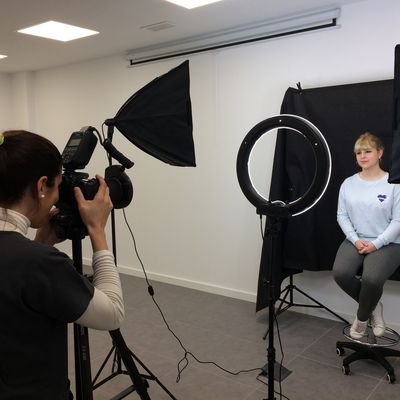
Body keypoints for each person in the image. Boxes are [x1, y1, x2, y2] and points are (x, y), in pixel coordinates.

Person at [0, 130, 125, 399]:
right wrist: (97, 230)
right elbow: (112, 313)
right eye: (57, 186)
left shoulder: (32, 259)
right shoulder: (39, 263)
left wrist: (40, 244)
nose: (58, 197)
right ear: (41, 186)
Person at [332, 132, 400, 340]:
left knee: (371, 280)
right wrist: (354, 239)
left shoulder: (394, 183)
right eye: (358, 152)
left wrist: (377, 243)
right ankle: (373, 307)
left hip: (388, 242)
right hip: (357, 238)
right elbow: (341, 215)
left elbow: (398, 221)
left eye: (368, 151)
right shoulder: (348, 184)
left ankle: (362, 319)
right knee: (341, 274)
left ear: (380, 153)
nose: (362, 156)